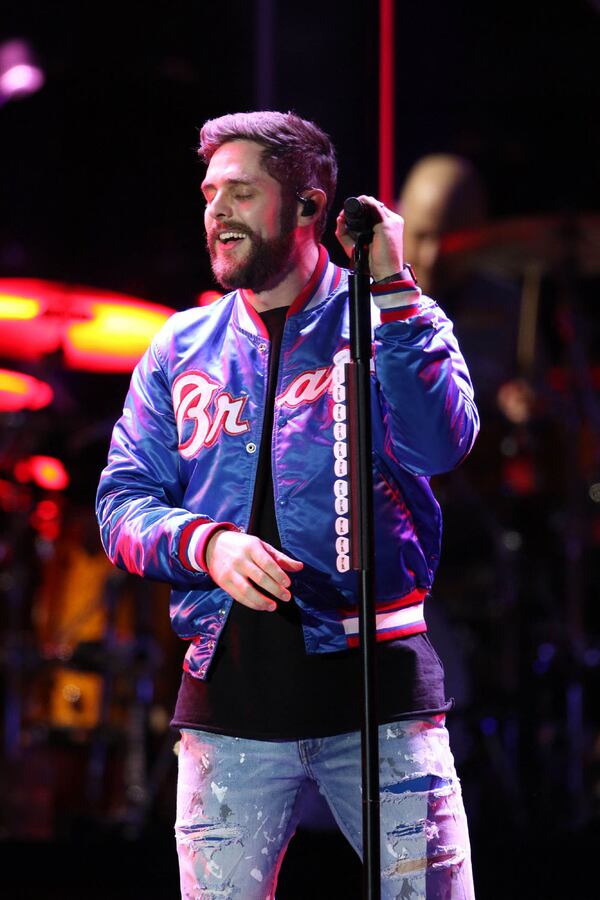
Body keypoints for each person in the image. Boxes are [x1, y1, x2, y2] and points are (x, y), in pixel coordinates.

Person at [96, 111, 479, 899]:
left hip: (381, 703)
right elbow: (120, 505)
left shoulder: (383, 316)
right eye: (210, 193)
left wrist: (394, 289)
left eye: (241, 191)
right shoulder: (180, 346)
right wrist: (207, 545)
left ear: (308, 207)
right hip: (230, 710)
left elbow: (444, 442)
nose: (217, 211)